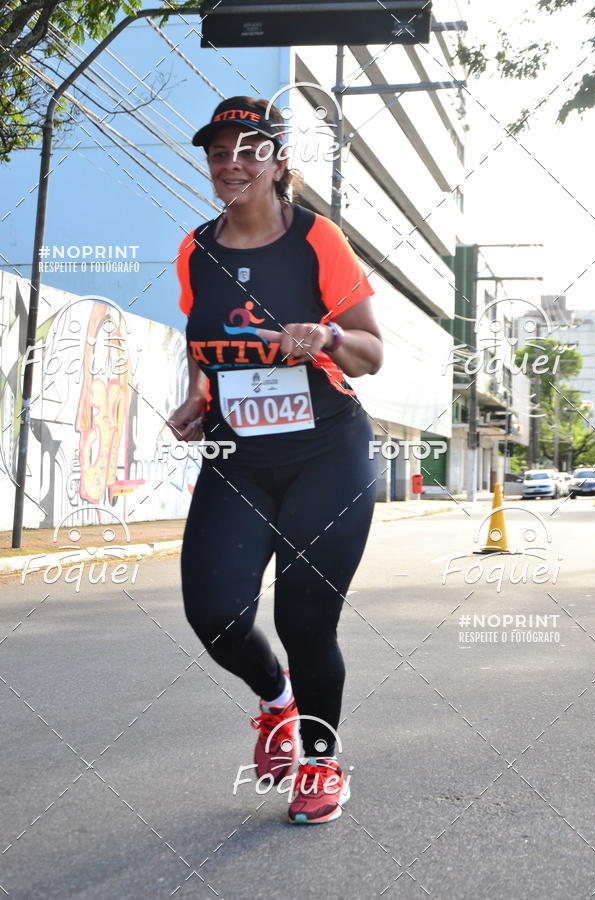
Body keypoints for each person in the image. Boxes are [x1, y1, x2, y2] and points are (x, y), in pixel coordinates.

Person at [167, 96, 383, 825]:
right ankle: (277, 703)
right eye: (219, 152)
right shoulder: (195, 249)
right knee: (214, 613)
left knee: (305, 618)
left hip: (329, 452)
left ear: (278, 161)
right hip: (238, 457)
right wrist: (199, 396)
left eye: (249, 150)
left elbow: (372, 352)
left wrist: (326, 337)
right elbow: (201, 340)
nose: (231, 163)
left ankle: (320, 761)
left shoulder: (318, 240)